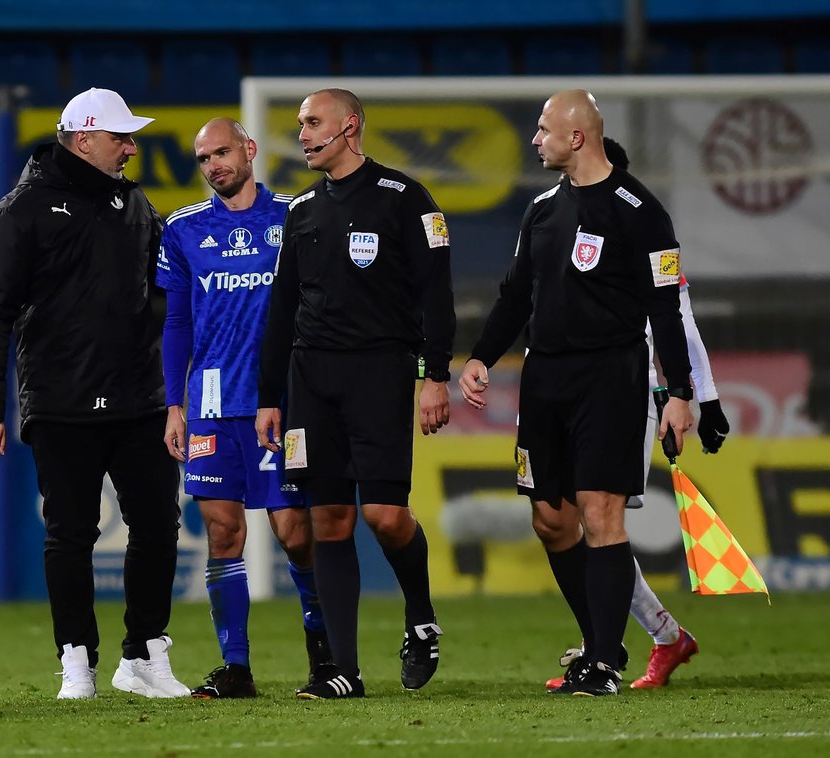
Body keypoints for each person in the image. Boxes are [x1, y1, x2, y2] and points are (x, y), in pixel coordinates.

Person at [459, 90, 695, 696]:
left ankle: (604, 661)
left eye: (543, 129)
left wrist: (681, 392)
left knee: (600, 512)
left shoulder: (638, 209)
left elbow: (664, 309)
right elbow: (515, 296)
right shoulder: (541, 210)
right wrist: (482, 356)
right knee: (550, 519)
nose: (534, 140)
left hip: (610, 377)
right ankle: (599, 644)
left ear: (577, 136)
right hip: (544, 379)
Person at [0, 87, 190, 700]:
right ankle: (76, 662)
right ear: (84, 137)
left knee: (157, 526)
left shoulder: (137, 206)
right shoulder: (20, 211)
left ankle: (144, 655)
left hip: (140, 397)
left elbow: (169, 300)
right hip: (61, 401)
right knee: (71, 533)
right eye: (121, 137)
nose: (132, 147)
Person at [256, 88, 456, 699]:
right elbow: (283, 308)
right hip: (310, 379)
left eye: (314, 123)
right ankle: (343, 669)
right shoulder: (301, 211)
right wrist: (270, 395)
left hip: (381, 372)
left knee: (384, 515)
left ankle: (420, 617)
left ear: (350, 126)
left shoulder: (406, 199)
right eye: (299, 125)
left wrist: (435, 375)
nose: (304, 134)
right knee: (329, 519)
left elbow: (436, 295)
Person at [542, 137, 731, 691]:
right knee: (564, 521)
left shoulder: (636, 223)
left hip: (630, 391)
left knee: (600, 524)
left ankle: (632, 642)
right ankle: (635, 639)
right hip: (570, 392)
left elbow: (681, 320)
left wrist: (701, 397)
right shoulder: (558, 222)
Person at [156, 117, 335, 699]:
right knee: (222, 530)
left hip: (276, 404)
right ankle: (236, 667)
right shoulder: (182, 229)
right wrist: (174, 404)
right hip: (209, 403)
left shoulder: (295, 214)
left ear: (250, 150)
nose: (214, 166)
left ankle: (324, 652)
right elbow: (177, 322)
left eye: (223, 152)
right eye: (204, 158)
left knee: (294, 532)